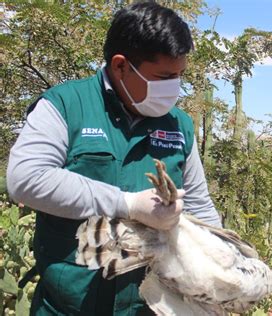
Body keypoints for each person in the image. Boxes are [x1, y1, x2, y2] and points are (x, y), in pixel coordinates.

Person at [7, 2, 221, 315]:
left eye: (179, 77)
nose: (173, 88)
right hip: (71, 304)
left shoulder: (180, 126)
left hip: (151, 304)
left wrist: (226, 265)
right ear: (120, 65)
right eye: (163, 77)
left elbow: (200, 205)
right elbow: (27, 178)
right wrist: (129, 204)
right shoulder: (66, 104)